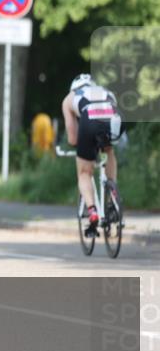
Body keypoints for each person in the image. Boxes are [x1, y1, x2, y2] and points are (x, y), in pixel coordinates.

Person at [61, 74, 123, 237]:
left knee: (84, 173)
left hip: (89, 119)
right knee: (109, 150)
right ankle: (112, 197)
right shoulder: (105, 91)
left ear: (74, 87)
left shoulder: (69, 98)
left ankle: (92, 211)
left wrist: (84, 148)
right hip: (114, 116)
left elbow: (73, 139)